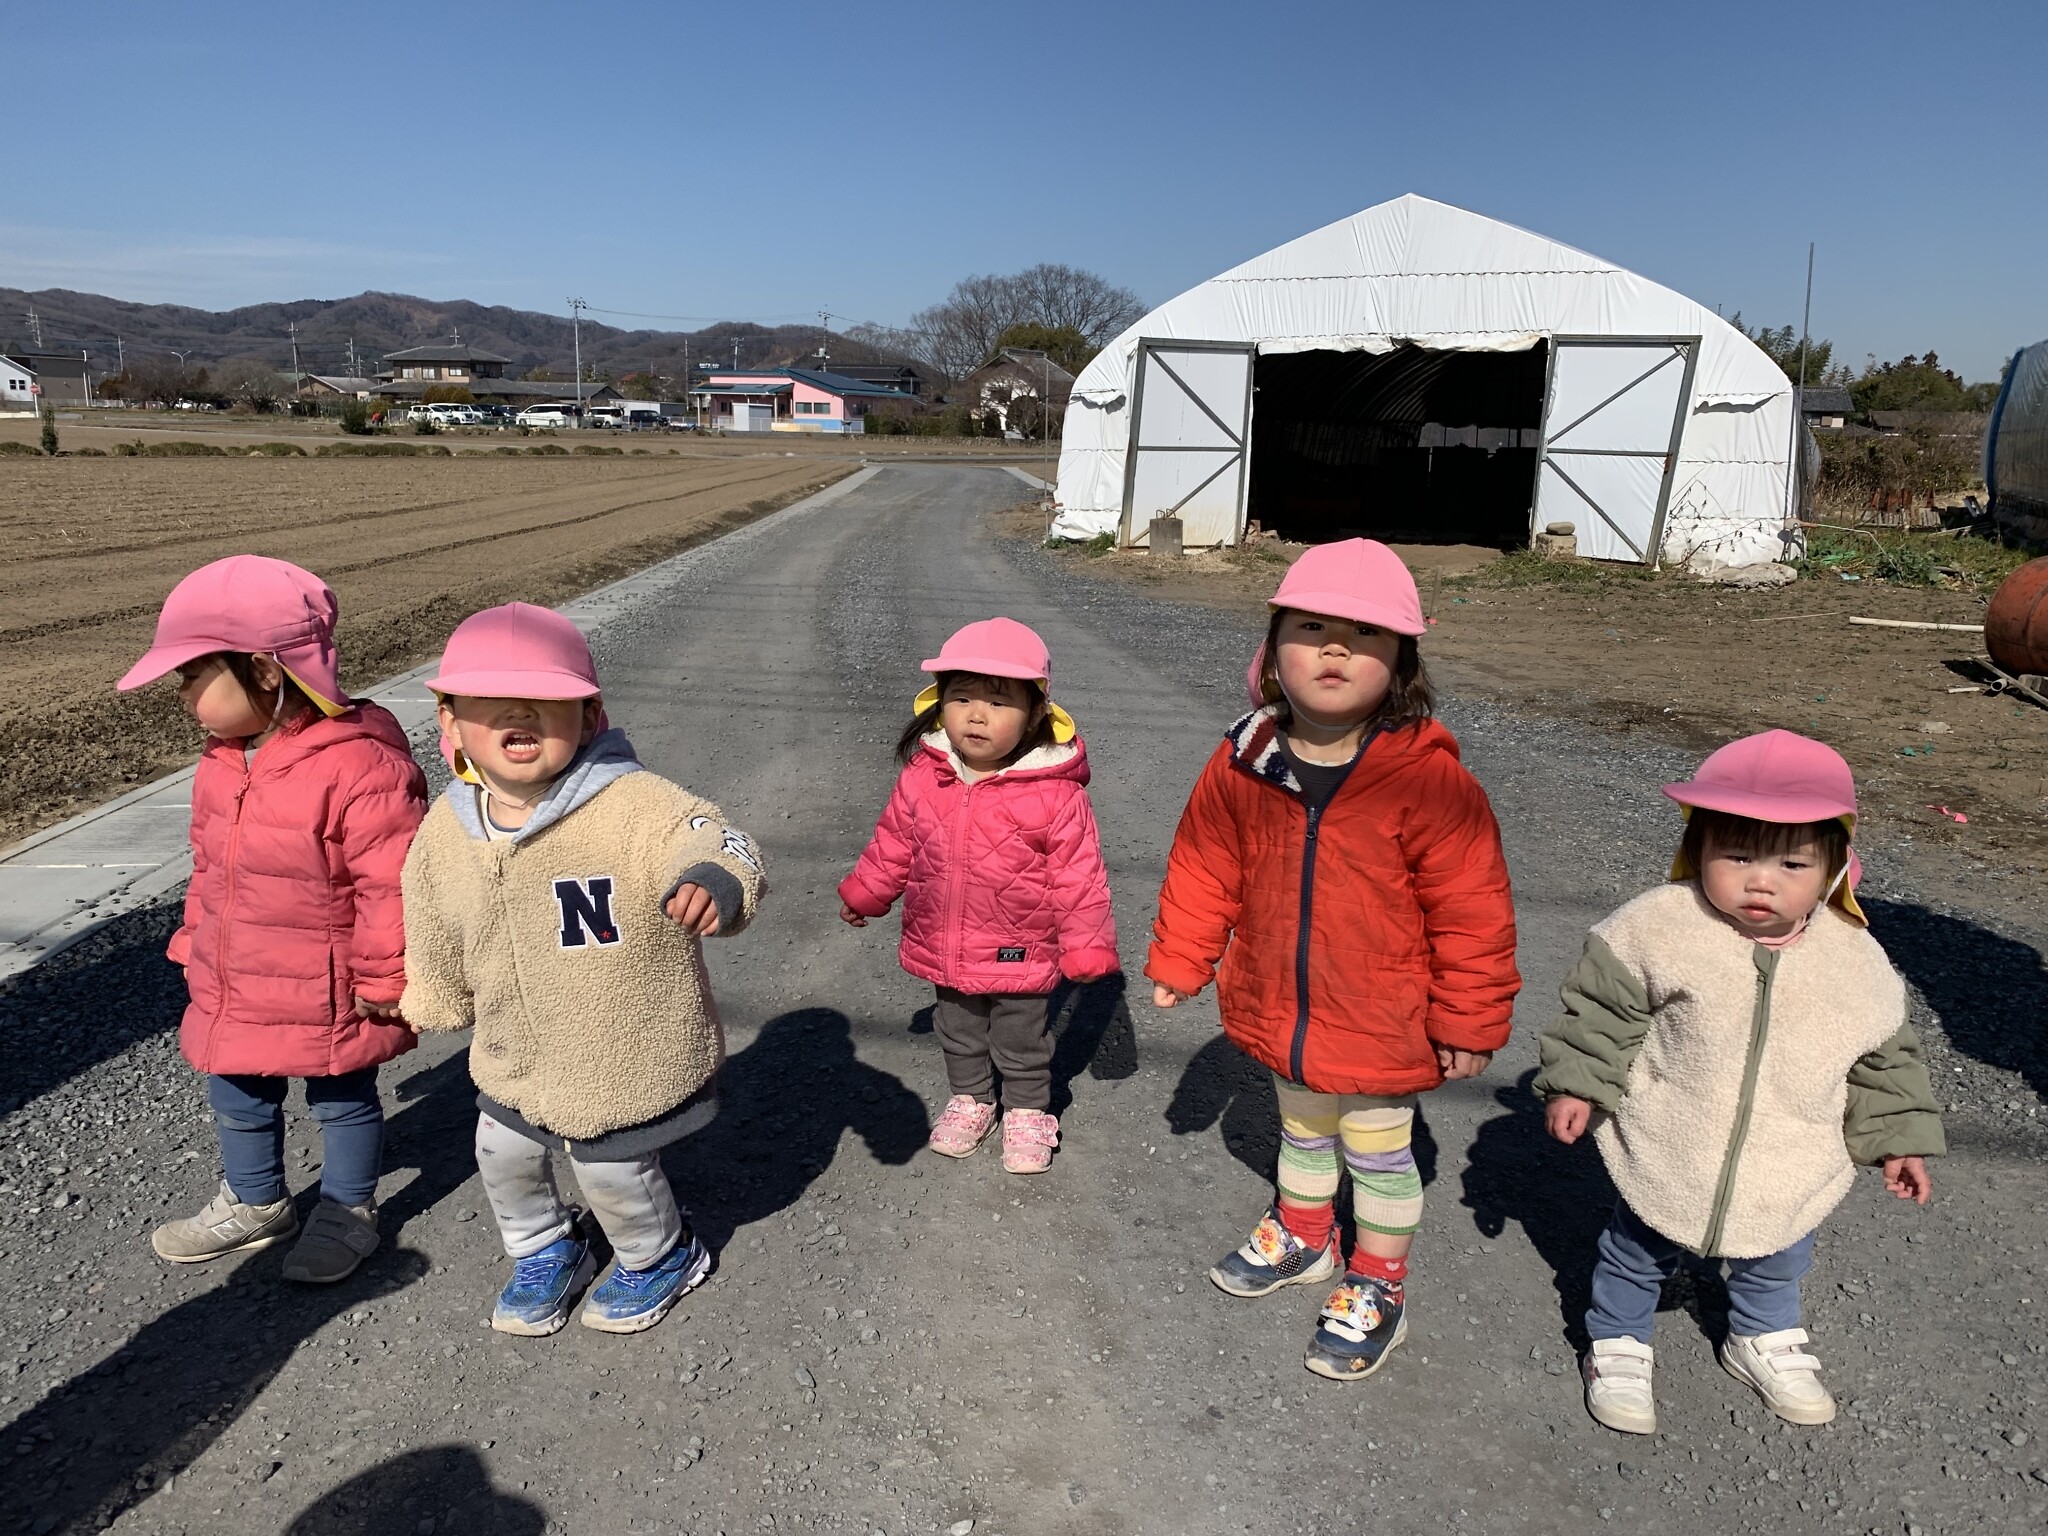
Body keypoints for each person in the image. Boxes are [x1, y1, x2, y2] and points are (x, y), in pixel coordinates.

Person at [1148, 539, 1520, 1382]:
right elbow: (1206, 864)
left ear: (1402, 662)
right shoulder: (1243, 762)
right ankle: (1305, 1235)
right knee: (1305, 1128)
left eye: (1366, 635)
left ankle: (1380, 1279)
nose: (1336, 649)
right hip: (1282, 1002)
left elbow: (1473, 909)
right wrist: (1182, 956)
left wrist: (1469, 1018)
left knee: (1378, 1150)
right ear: (1273, 647)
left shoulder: (1428, 781)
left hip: (1384, 1013)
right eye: (1311, 628)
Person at [1535, 729, 1943, 1434]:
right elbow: (1603, 1014)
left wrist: (1899, 1140)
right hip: (1674, 1140)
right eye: (1736, 856)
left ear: (1835, 869)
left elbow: (1885, 1057)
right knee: (1636, 1249)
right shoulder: (1661, 928)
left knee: (1779, 1254)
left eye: (1792, 863)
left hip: (1791, 1153)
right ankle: (1619, 1340)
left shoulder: (1854, 962)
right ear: (1697, 851)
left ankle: (1761, 1334)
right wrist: (1579, 1084)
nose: (1761, 880)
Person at [400, 603, 766, 1336]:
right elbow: (428, 907)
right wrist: (435, 990)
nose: (521, 714)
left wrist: (715, 878)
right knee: (500, 1154)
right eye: (491, 702)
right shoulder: (449, 826)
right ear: (451, 724)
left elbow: (711, 835)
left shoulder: (632, 803)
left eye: (547, 700)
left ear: (590, 716)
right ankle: (543, 1246)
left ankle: (659, 1253)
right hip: (514, 1053)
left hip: (616, 1054)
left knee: (614, 1172)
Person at [120, 555, 427, 1284]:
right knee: (235, 1087)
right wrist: (195, 938)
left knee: (342, 1092)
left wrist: (387, 975)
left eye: (192, 674)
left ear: (263, 671)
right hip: (236, 971)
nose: (182, 692)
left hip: (328, 982)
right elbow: (210, 864)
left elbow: (392, 884)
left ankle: (348, 1209)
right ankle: (256, 1200)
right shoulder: (224, 762)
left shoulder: (360, 767)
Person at [840, 617, 1118, 1174]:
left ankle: (1028, 1109)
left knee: (1021, 1035)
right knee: (959, 1029)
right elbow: (895, 841)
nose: (975, 714)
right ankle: (971, 1099)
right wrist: (868, 892)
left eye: (997, 701)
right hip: (945, 943)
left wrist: (1087, 946)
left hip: (1021, 946)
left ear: (1035, 713)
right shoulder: (925, 774)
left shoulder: (1055, 792)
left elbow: (1079, 876)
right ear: (939, 703)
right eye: (961, 697)